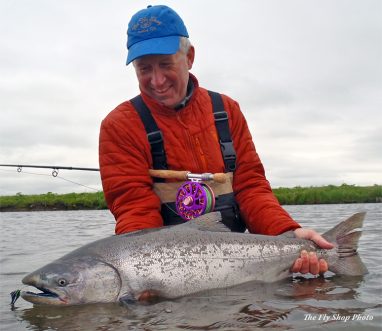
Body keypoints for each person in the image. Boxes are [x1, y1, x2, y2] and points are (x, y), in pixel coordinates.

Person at [99, 5, 334, 276]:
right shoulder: (119, 125)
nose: (157, 80)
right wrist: (142, 275)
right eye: (144, 69)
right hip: (166, 269)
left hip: (240, 262)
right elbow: (133, 208)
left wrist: (287, 233)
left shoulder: (226, 110)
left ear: (189, 57)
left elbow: (251, 188)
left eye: (165, 64)